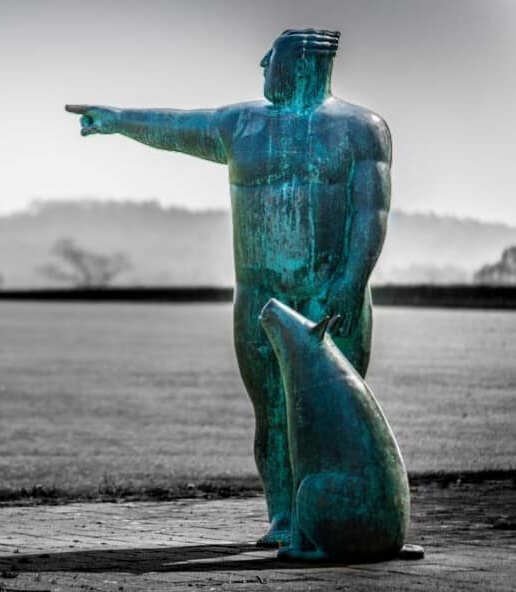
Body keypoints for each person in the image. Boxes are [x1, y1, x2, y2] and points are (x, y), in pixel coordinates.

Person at [66, 28, 391, 546]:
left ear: (301, 62)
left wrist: (351, 284)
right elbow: (175, 126)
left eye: (271, 60)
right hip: (259, 297)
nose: (262, 67)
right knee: (272, 416)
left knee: (333, 416)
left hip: (330, 296)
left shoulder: (360, 130)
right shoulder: (243, 124)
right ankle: (284, 517)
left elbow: (370, 213)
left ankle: (342, 521)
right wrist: (117, 120)